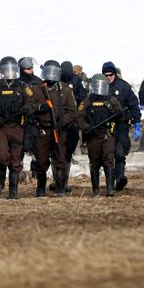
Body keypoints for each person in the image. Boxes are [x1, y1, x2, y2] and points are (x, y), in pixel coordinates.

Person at [0, 57, 33, 199]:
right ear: (2, 71)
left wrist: (25, 109)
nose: (9, 72)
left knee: (16, 160)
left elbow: (32, 103)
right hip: (1, 127)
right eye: (6, 69)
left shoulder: (22, 86)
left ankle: (13, 191)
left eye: (12, 69)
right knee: (2, 157)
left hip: (17, 126)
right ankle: (1, 182)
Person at [28, 60, 77, 197]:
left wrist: (62, 122)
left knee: (60, 158)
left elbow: (72, 111)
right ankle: (41, 187)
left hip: (59, 130)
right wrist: (38, 108)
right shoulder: (36, 89)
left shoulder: (65, 90)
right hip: (42, 130)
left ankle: (60, 186)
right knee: (41, 159)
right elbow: (28, 107)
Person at [77, 74, 122, 197]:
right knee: (94, 162)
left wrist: (119, 115)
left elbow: (120, 114)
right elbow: (79, 117)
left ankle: (109, 188)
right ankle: (96, 190)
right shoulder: (87, 101)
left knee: (108, 159)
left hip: (107, 135)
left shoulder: (111, 100)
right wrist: (87, 127)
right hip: (93, 136)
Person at [102, 61, 141, 192]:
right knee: (108, 154)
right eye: (105, 75)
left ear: (115, 74)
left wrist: (137, 123)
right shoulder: (99, 87)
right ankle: (110, 181)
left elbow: (134, 105)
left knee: (120, 153)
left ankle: (119, 178)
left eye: (111, 74)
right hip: (105, 126)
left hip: (121, 125)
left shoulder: (124, 87)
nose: (108, 77)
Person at [59, 61, 87, 192]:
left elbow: (83, 96)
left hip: (73, 119)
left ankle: (64, 182)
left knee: (69, 151)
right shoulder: (56, 79)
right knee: (58, 152)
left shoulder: (76, 80)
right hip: (59, 119)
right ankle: (58, 181)